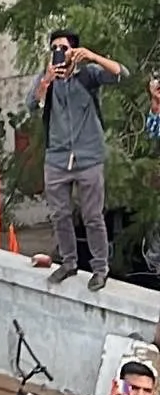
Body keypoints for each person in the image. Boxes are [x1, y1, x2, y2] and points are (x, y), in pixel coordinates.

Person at [30, 31, 126, 291]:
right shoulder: (47, 78)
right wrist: (46, 81)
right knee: (60, 214)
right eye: (54, 48)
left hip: (88, 157)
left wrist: (92, 56)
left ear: (74, 51)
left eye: (64, 48)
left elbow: (120, 73)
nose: (59, 52)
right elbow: (31, 105)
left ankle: (100, 269)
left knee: (92, 216)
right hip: (57, 158)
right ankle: (69, 262)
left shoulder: (88, 75)